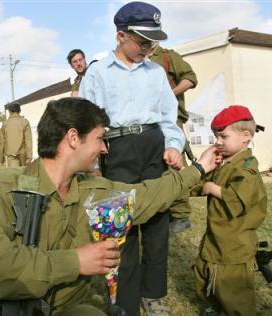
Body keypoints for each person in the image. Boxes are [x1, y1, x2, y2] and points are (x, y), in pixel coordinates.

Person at [0, 97, 220, 316]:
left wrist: (198, 170)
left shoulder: (95, 192)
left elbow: (147, 195)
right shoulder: (1, 188)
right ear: (73, 137)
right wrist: (74, 261)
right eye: (100, 138)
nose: (105, 148)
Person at [79, 2, 184, 315]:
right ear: (120, 35)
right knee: (121, 227)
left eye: (153, 43)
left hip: (153, 146)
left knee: (156, 223)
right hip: (117, 150)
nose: (148, 49)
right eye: (142, 41)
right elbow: (87, 121)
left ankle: (153, 295)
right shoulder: (97, 72)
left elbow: (169, 116)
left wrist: (174, 145)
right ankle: (124, 300)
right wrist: (94, 164)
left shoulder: (156, 73)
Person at [192, 105, 266, 316]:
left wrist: (213, 188)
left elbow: (237, 201)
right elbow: (197, 186)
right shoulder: (226, 164)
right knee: (204, 274)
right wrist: (202, 169)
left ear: (245, 136)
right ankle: (217, 308)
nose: (218, 142)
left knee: (234, 291)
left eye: (223, 136)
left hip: (234, 245)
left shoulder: (246, 169)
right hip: (216, 240)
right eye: (217, 136)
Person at [150, 45, 198, 233]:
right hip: (150, 120)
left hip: (170, 119)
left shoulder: (167, 56)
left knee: (174, 164)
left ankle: (181, 214)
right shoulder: (138, 58)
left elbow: (190, 78)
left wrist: (170, 94)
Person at [0, 101, 32, 168]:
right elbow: (28, 140)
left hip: (11, 155)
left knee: (14, 175)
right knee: (23, 175)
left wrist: (0, 159)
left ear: (9, 111)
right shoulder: (25, 122)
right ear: (19, 111)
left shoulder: (4, 124)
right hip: (23, 154)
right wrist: (29, 156)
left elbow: (1, 142)